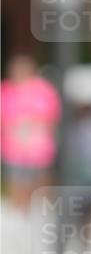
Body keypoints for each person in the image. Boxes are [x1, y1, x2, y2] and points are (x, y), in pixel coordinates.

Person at [0, 54, 61, 211]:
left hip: (39, 147)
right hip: (13, 148)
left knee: (41, 181)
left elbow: (52, 116)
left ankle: (42, 210)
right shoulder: (5, 90)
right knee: (17, 181)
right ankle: (19, 212)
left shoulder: (43, 90)